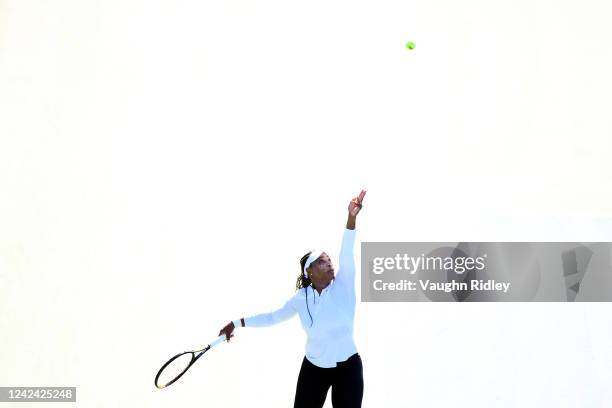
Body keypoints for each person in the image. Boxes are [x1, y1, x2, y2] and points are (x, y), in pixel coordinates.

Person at [218, 189, 367, 408]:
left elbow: (346, 250)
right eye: (322, 261)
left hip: (348, 368)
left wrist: (351, 217)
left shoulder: (343, 285)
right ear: (310, 272)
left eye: (329, 260)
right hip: (314, 369)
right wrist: (237, 323)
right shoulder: (301, 299)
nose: (330, 263)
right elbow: (272, 318)